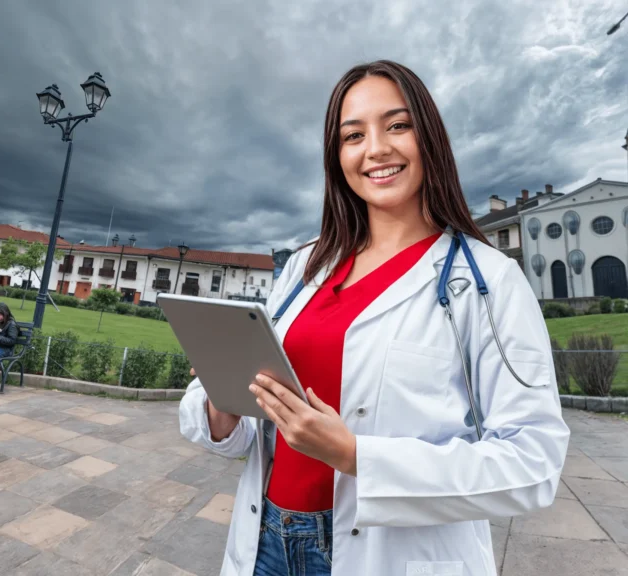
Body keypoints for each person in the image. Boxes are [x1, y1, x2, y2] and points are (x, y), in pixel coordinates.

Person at [178, 60, 570, 576]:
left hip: (389, 558)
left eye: (397, 126)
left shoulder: (489, 281)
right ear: (337, 155)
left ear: (428, 137)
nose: (376, 149)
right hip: (266, 543)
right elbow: (262, 425)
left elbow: (532, 463)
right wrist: (222, 408)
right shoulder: (305, 265)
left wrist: (358, 456)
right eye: (353, 135)